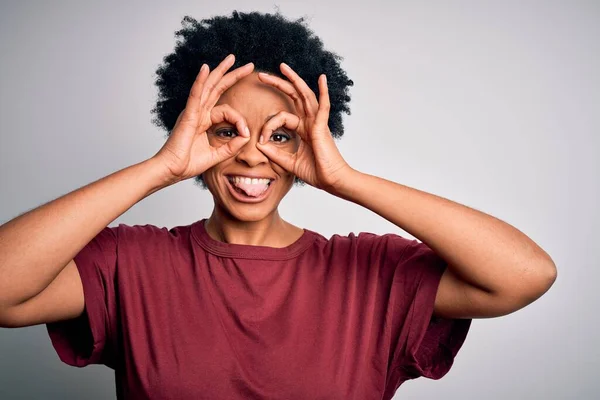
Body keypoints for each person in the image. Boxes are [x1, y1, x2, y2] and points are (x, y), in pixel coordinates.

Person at [0, 10, 557, 400]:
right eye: (226, 131)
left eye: (281, 136)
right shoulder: (131, 263)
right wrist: (158, 169)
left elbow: (525, 275)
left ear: (313, 140)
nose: (252, 157)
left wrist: (345, 179)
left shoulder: (372, 273)